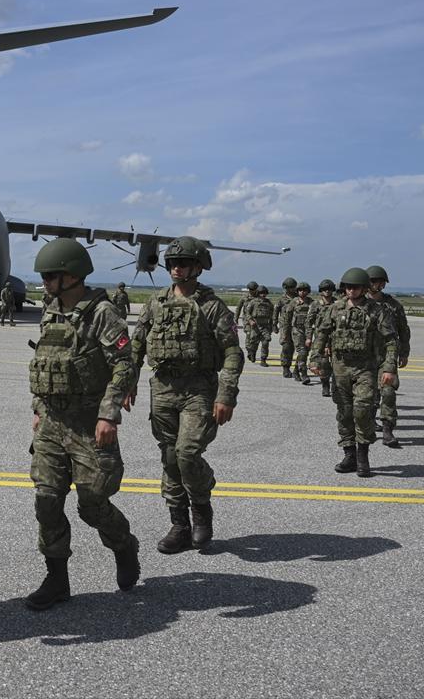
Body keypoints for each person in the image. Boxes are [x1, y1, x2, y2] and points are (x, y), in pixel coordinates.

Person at [25, 238, 140, 610]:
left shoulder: (102, 313)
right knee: (46, 499)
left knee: (92, 503)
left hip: (89, 421)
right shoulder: (51, 311)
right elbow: (48, 361)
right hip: (52, 422)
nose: (44, 282)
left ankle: (124, 545)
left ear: (71, 276)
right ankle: (57, 578)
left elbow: (125, 362)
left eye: (50, 275)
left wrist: (109, 413)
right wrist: (38, 407)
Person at [128, 236, 242, 554]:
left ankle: (202, 510)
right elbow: (136, 345)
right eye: (172, 263)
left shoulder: (212, 307)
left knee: (187, 453)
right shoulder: (156, 303)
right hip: (163, 389)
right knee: (169, 457)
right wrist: (128, 381)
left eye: (184, 263)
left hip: (199, 389)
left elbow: (233, 353)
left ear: (198, 267)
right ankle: (179, 524)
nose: (176, 267)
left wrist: (226, 394)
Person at [310, 267, 397, 478]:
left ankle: (362, 456)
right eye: (348, 287)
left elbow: (391, 341)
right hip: (340, 368)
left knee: (363, 410)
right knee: (344, 412)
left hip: (365, 368)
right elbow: (321, 334)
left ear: (364, 288)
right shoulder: (335, 309)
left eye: (356, 287)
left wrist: (389, 368)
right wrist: (315, 358)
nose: (351, 291)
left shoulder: (377, 310)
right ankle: (348, 454)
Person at [367, 265, 410, 448]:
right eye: (375, 281)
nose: (379, 284)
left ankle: (387, 430)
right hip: (364, 357)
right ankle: (367, 425)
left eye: (381, 281)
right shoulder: (359, 304)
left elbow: (403, 330)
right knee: (367, 395)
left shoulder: (393, 305)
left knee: (388, 392)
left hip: (387, 356)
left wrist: (404, 352)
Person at [306, 279, 337, 398]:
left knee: (337, 363)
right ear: (320, 291)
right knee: (323, 363)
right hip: (321, 337)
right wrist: (309, 337)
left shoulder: (337, 304)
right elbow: (309, 323)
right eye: (324, 289)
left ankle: (337, 387)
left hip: (335, 337)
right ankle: (325, 385)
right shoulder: (315, 305)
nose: (327, 291)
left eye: (329, 289)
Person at [290, 282, 315, 384]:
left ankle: (296, 371)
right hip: (297, 330)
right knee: (302, 351)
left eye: (304, 290)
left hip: (308, 330)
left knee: (305, 352)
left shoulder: (312, 303)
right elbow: (286, 317)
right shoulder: (293, 302)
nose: (302, 292)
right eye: (300, 290)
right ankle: (304, 374)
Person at [245, 286, 275, 365]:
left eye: (264, 293)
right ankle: (252, 354)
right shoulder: (253, 302)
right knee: (254, 343)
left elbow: (272, 315)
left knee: (266, 342)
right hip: (255, 326)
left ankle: (263, 359)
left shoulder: (269, 303)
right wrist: (250, 320)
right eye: (261, 293)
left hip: (265, 326)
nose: (263, 295)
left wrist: (272, 326)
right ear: (258, 293)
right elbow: (247, 313)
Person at [275, 276, 299, 378]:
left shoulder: (299, 298)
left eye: (293, 287)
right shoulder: (281, 300)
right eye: (289, 287)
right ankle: (286, 368)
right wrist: (274, 324)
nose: (291, 289)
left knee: (300, 348)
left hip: (297, 326)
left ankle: (297, 369)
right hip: (285, 327)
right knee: (286, 347)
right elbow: (275, 312)